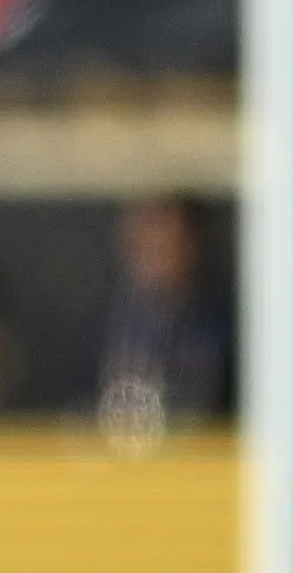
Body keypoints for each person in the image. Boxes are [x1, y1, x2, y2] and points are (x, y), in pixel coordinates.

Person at [94, 191, 228, 449]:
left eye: (166, 229)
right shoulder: (108, 323)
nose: (156, 244)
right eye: (146, 229)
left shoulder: (225, 324)